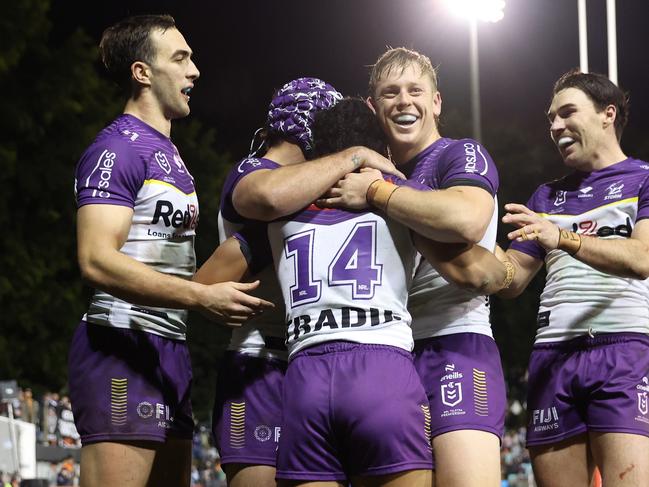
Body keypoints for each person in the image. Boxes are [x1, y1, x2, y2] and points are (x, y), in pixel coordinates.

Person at [67, 15, 272, 487]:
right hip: (121, 344)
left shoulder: (170, 155)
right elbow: (95, 258)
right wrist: (202, 298)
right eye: (180, 58)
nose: (194, 70)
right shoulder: (116, 149)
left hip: (168, 348)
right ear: (142, 72)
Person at [317, 47, 507, 486]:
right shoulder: (358, 173)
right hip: (383, 354)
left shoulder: (457, 154)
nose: (404, 101)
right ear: (372, 107)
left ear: (435, 102)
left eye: (415, 90)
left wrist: (380, 194)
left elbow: (467, 217)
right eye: (390, 92)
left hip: (455, 344)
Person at [499, 70, 649, 486]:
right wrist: (460, 230)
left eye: (567, 113)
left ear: (607, 114)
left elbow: (642, 258)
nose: (554, 126)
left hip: (624, 351)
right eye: (551, 118)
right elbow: (510, 280)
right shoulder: (545, 197)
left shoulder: (643, 178)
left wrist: (562, 237)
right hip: (552, 357)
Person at [206, 77, 343, 487]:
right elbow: (267, 201)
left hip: (317, 358)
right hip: (259, 359)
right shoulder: (256, 170)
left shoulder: (316, 178)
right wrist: (353, 157)